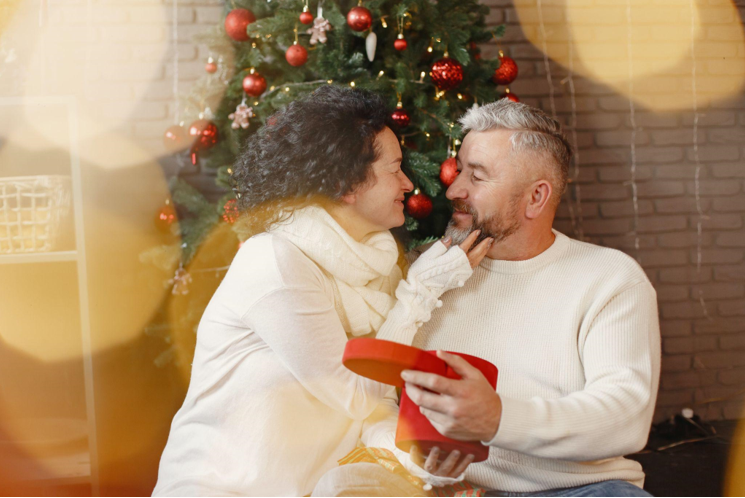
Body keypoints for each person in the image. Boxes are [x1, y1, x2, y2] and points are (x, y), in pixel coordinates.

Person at [152, 86, 491, 496]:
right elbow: (354, 394)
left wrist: (420, 465)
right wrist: (422, 289)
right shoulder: (275, 261)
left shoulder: (376, 264)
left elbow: (374, 409)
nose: (407, 183)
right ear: (345, 184)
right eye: (395, 168)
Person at [313, 99, 661, 497]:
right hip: (447, 488)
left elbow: (624, 417)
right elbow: (382, 399)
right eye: (459, 169)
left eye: (476, 177)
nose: (454, 188)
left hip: (576, 490)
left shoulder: (609, 278)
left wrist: (497, 418)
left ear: (535, 198)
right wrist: (419, 461)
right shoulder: (430, 272)